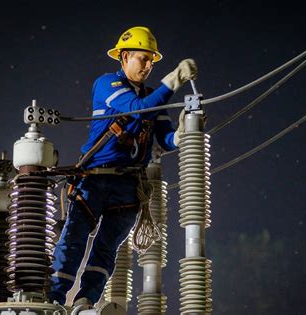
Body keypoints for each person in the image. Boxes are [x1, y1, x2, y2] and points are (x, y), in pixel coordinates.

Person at [48, 26, 197, 308]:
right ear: (125, 56)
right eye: (143, 58)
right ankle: (54, 300)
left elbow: (163, 139)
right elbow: (136, 109)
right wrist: (173, 81)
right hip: (94, 180)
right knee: (73, 241)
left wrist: (179, 136)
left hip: (128, 187)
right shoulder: (107, 84)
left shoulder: (152, 96)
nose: (149, 65)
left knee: (106, 250)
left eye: (152, 60)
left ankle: (86, 301)